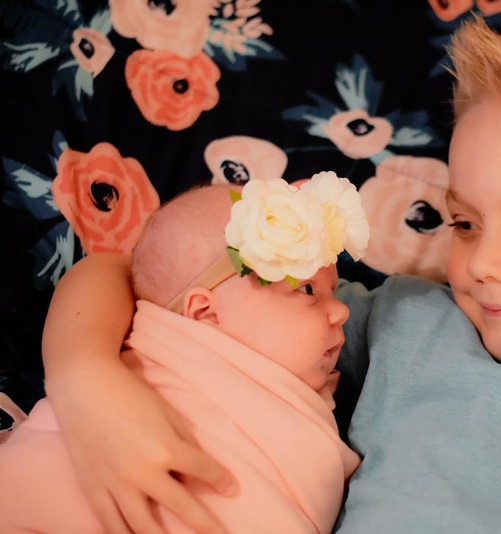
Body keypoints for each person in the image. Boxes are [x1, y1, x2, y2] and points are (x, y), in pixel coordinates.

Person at [38, 18, 501, 533]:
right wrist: (85, 378)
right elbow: (126, 266)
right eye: (463, 223)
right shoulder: (410, 325)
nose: (485, 264)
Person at [1, 174, 367, 533]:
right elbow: (111, 267)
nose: (341, 311)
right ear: (205, 313)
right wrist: (85, 372)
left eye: (333, 290)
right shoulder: (164, 349)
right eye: (307, 291)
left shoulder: (316, 383)